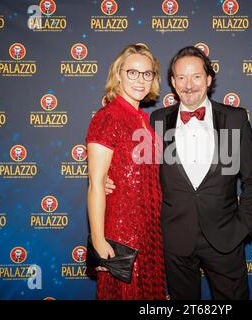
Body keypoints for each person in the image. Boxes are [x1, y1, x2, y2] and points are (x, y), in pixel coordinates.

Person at [106, 46, 252, 300]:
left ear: (209, 80)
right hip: (175, 239)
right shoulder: (156, 120)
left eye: (196, 77)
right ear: (172, 82)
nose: (189, 85)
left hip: (226, 238)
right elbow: (138, 170)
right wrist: (107, 181)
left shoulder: (235, 118)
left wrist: (244, 225)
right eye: (181, 77)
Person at [86, 44, 165, 300]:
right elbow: (96, 183)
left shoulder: (143, 119)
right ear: (118, 74)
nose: (140, 80)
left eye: (147, 74)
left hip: (151, 231)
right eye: (132, 72)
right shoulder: (108, 116)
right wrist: (98, 240)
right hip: (122, 231)